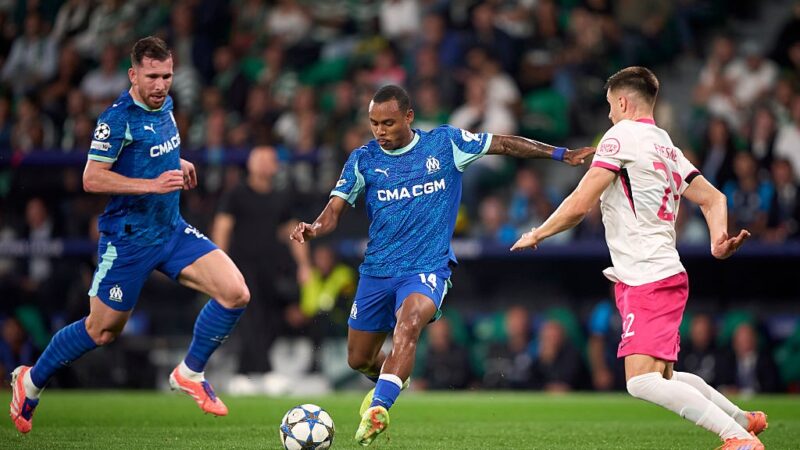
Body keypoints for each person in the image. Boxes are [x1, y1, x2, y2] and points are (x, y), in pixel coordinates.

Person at [290, 84, 594, 446]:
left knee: (410, 322)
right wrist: (314, 227)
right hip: (377, 270)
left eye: (387, 122)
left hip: (427, 266)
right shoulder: (363, 159)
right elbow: (333, 212)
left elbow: (504, 143)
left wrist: (561, 154)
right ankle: (392, 375)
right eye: (373, 123)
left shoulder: (445, 144)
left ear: (409, 116)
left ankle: (379, 409)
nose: (380, 131)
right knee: (358, 359)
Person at [511, 66, 767, 450]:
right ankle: (742, 419)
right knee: (662, 377)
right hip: (658, 271)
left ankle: (736, 437)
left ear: (624, 102)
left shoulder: (621, 136)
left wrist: (538, 232)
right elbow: (715, 198)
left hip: (648, 275)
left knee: (641, 381)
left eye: (611, 106)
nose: (610, 115)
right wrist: (717, 241)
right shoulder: (666, 144)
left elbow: (580, 203)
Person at [9, 37, 250, 434]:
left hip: (170, 230)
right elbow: (91, 177)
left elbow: (152, 151)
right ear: (133, 75)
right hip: (128, 239)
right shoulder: (116, 118)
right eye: (152, 77)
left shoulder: (166, 106)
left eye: (167, 76)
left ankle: (190, 372)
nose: (160, 85)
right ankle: (30, 381)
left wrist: (179, 162)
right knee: (101, 330)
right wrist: (151, 185)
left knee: (235, 292)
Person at [211, 145, 310, 375]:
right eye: (260, 160)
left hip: (271, 268)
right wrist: (218, 266)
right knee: (250, 319)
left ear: (276, 166)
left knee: (271, 319)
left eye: (269, 160)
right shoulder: (236, 194)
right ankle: (257, 372)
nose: (265, 165)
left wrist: (304, 265)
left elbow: (294, 233)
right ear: (250, 165)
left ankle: (251, 373)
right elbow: (222, 228)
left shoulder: (280, 197)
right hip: (242, 267)